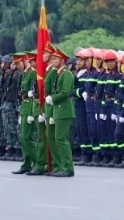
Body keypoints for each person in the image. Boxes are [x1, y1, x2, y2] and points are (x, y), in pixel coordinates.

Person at [45, 45, 75, 177]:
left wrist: (53, 98)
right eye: (52, 59)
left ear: (62, 60)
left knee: (61, 139)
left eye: (55, 59)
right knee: (56, 139)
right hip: (58, 110)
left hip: (64, 110)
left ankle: (68, 168)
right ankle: (61, 166)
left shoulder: (67, 74)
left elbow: (65, 92)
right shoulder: (59, 73)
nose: (52, 61)